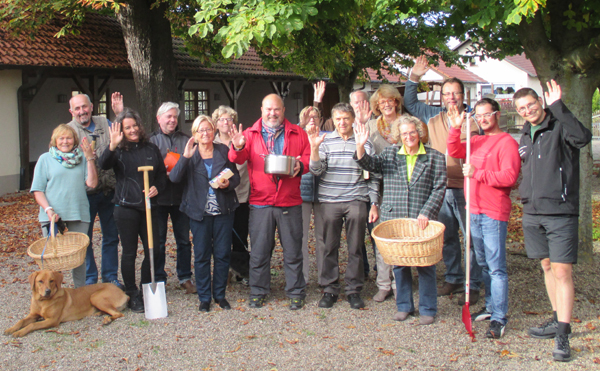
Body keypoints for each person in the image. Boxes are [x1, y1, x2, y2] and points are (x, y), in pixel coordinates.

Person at [513, 80, 592, 362]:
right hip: (533, 212)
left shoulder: (559, 125)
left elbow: (583, 138)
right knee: (546, 265)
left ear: (541, 103)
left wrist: (559, 106)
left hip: (560, 211)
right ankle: (557, 318)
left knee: (562, 272)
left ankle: (563, 333)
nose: (528, 111)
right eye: (522, 108)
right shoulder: (524, 135)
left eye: (531, 105)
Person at [405, 55, 483, 305]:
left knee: (471, 237)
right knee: (448, 237)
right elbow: (409, 102)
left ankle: (475, 283)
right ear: (442, 96)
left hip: (466, 187)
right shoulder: (432, 116)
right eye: (447, 93)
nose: (451, 98)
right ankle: (454, 278)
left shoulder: (474, 120)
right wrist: (414, 77)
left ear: (463, 96)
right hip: (440, 187)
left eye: (455, 94)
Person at [355, 115, 446, 325]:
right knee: (399, 265)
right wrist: (360, 146)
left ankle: (428, 309)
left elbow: (439, 187)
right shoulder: (390, 153)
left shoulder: (435, 157)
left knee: (425, 264)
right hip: (394, 217)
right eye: (404, 133)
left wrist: (427, 211)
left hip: (421, 219)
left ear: (420, 133)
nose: (409, 136)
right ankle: (404, 306)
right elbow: (369, 164)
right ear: (399, 136)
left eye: (412, 132)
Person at [447, 98, 521, 339]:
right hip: (474, 209)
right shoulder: (475, 141)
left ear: (497, 115)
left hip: (493, 211)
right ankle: (490, 307)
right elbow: (454, 150)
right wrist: (456, 127)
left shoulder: (507, 142)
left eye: (486, 114)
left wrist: (477, 173)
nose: (482, 119)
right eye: (478, 116)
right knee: (483, 262)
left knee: (496, 266)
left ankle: (500, 316)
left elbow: (509, 177)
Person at [229, 93, 310, 310]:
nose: (272, 113)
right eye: (268, 109)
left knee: (293, 250)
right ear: (262, 110)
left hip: (289, 201)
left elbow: (308, 157)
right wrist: (236, 147)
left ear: (283, 110)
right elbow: (237, 158)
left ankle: (295, 292)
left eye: (276, 109)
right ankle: (258, 290)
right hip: (260, 202)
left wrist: (301, 167)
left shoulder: (298, 133)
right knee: (260, 251)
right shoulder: (250, 134)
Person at [308, 103, 379, 309]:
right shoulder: (326, 140)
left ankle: (353, 289)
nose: (342, 123)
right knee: (329, 246)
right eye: (338, 119)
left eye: (346, 118)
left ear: (353, 119)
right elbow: (316, 170)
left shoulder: (364, 141)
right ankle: (329, 289)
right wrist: (314, 148)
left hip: (356, 199)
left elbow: (372, 175)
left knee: (356, 247)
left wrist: (373, 202)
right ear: (333, 120)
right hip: (330, 200)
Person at [170, 115, 240, 313]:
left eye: (209, 129)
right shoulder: (190, 154)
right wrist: (185, 157)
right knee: (201, 255)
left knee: (222, 254)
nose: (206, 133)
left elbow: (236, 178)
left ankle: (219, 295)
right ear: (195, 134)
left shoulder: (223, 151)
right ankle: (204, 297)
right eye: (201, 130)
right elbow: (174, 179)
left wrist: (227, 184)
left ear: (214, 132)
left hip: (223, 211)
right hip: (198, 213)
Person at [99, 108, 166, 313]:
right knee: (129, 253)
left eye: (135, 125)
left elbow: (162, 175)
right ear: (122, 130)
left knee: (153, 249)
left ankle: (148, 287)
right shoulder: (118, 150)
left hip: (148, 207)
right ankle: (132, 292)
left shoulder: (151, 149)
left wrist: (157, 187)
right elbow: (104, 164)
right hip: (126, 208)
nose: (132, 130)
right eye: (127, 127)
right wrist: (112, 145)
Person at [31, 124, 98, 288]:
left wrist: (89, 158)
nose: (65, 141)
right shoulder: (45, 159)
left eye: (68, 138)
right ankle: (54, 296)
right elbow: (38, 190)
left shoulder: (82, 158)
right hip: (53, 217)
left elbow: (92, 183)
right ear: (55, 140)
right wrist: (48, 209)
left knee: (78, 258)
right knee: (53, 260)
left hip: (79, 214)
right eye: (61, 138)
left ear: (74, 140)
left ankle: (79, 294)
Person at [67, 93, 123, 288]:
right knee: (85, 239)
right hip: (84, 195)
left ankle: (110, 278)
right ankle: (89, 280)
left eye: (84, 107)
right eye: (77, 108)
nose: (82, 111)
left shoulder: (104, 122)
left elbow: (120, 137)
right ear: (71, 111)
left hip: (109, 190)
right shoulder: (69, 132)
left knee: (110, 237)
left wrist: (120, 114)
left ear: (91, 106)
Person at [149, 102, 195, 294]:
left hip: (181, 198)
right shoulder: (150, 141)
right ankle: (159, 278)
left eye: (174, 117)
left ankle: (185, 276)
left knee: (183, 240)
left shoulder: (186, 140)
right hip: (158, 199)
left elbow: (193, 167)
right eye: (168, 117)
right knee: (158, 240)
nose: (172, 120)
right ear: (159, 119)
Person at [365, 84, 405, 302]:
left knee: (399, 237)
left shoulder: (407, 123)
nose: (386, 104)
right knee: (381, 238)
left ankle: (400, 283)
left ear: (396, 102)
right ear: (377, 105)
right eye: (382, 102)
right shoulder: (371, 126)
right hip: (378, 188)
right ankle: (383, 284)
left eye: (390, 100)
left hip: (401, 187)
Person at [212, 106, 251, 282]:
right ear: (216, 123)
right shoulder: (211, 142)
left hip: (241, 194)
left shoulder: (242, 141)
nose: (225, 122)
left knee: (240, 234)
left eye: (229, 119)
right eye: (221, 119)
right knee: (221, 235)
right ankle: (224, 270)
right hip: (220, 197)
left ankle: (241, 270)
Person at [298, 105, 323, 284]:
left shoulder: (327, 138)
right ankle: (303, 278)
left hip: (324, 194)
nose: (312, 119)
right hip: (302, 192)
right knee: (301, 238)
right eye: (308, 117)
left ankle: (325, 277)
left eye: (315, 117)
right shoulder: (297, 138)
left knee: (323, 238)